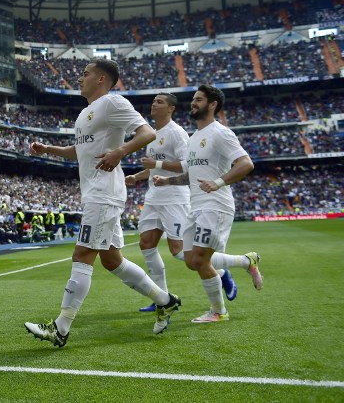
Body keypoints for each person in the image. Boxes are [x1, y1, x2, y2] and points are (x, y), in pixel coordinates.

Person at [25, 59, 181, 347]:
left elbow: (147, 133)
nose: (80, 78)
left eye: (85, 74)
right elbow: (81, 151)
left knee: (83, 253)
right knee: (112, 260)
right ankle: (166, 300)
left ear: (101, 79)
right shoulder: (86, 113)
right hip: (96, 192)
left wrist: (120, 152)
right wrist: (49, 149)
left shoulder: (113, 103)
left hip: (104, 193)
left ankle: (60, 328)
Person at [153, 85, 263, 323]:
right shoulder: (194, 139)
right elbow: (191, 176)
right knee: (191, 260)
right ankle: (246, 261)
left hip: (216, 205)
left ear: (212, 105)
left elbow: (246, 163)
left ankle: (219, 312)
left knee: (200, 259)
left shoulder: (220, 133)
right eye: (193, 99)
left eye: (199, 100)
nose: (193, 103)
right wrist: (167, 181)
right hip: (197, 206)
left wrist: (218, 182)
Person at [124, 93, 237, 312]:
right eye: (153, 101)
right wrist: (136, 177)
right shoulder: (153, 134)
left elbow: (188, 165)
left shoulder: (176, 133)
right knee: (146, 244)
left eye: (159, 102)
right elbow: (154, 168)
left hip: (174, 197)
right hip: (153, 196)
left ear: (171, 108)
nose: (154, 105)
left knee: (178, 251)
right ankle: (162, 298)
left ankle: (225, 271)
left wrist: (156, 162)